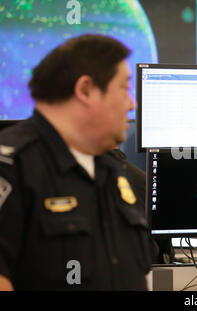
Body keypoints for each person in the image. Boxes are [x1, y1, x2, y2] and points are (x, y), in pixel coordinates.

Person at [0, 34, 152, 290]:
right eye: (124, 88)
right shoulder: (12, 168)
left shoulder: (113, 171)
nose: (131, 104)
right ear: (86, 90)